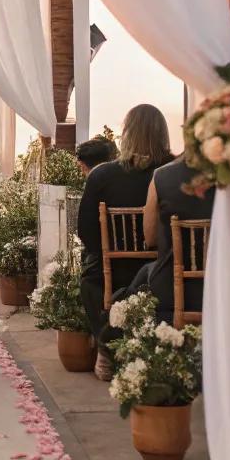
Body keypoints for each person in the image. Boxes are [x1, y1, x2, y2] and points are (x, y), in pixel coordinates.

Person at [77, 103, 173, 380]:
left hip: (113, 271)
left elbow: (86, 233)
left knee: (90, 277)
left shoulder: (102, 175)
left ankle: (107, 348)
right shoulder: (173, 172)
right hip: (162, 268)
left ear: (126, 134)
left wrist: (109, 254)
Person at [138, 156, 216, 319]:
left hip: (172, 289)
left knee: (142, 279)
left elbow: (150, 238)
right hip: (223, 286)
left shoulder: (161, 176)